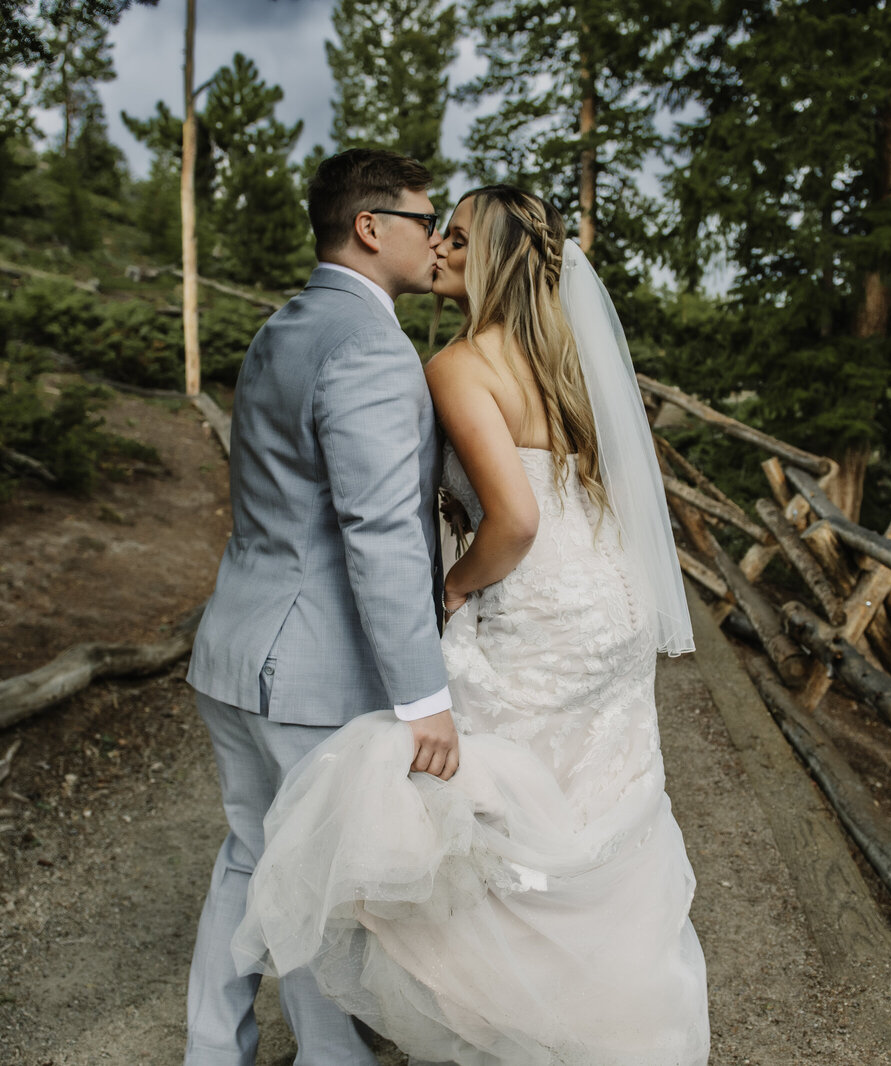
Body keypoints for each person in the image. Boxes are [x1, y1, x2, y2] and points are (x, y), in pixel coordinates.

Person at [233, 184, 711, 1066]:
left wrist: (455, 584)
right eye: (439, 232)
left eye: (456, 236)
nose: (441, 249)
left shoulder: (459, 365)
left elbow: (517, 521)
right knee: (592, 800)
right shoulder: (564, 357)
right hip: (607, 604)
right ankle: (608, 1016)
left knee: (482, 801)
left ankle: (514, 1020)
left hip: (536, 603)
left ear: (490, 255)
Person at [183, 147, 463, 1066]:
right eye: (428, 219)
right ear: (372, 227)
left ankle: (214, 1050)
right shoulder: (372, 348)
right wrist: (424, 697)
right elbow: (378, 531)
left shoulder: (284, 326)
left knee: (250, 857)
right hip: (303, 671)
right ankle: (332, 1058)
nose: (440, 237)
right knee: (317, 878)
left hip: (233, 646)